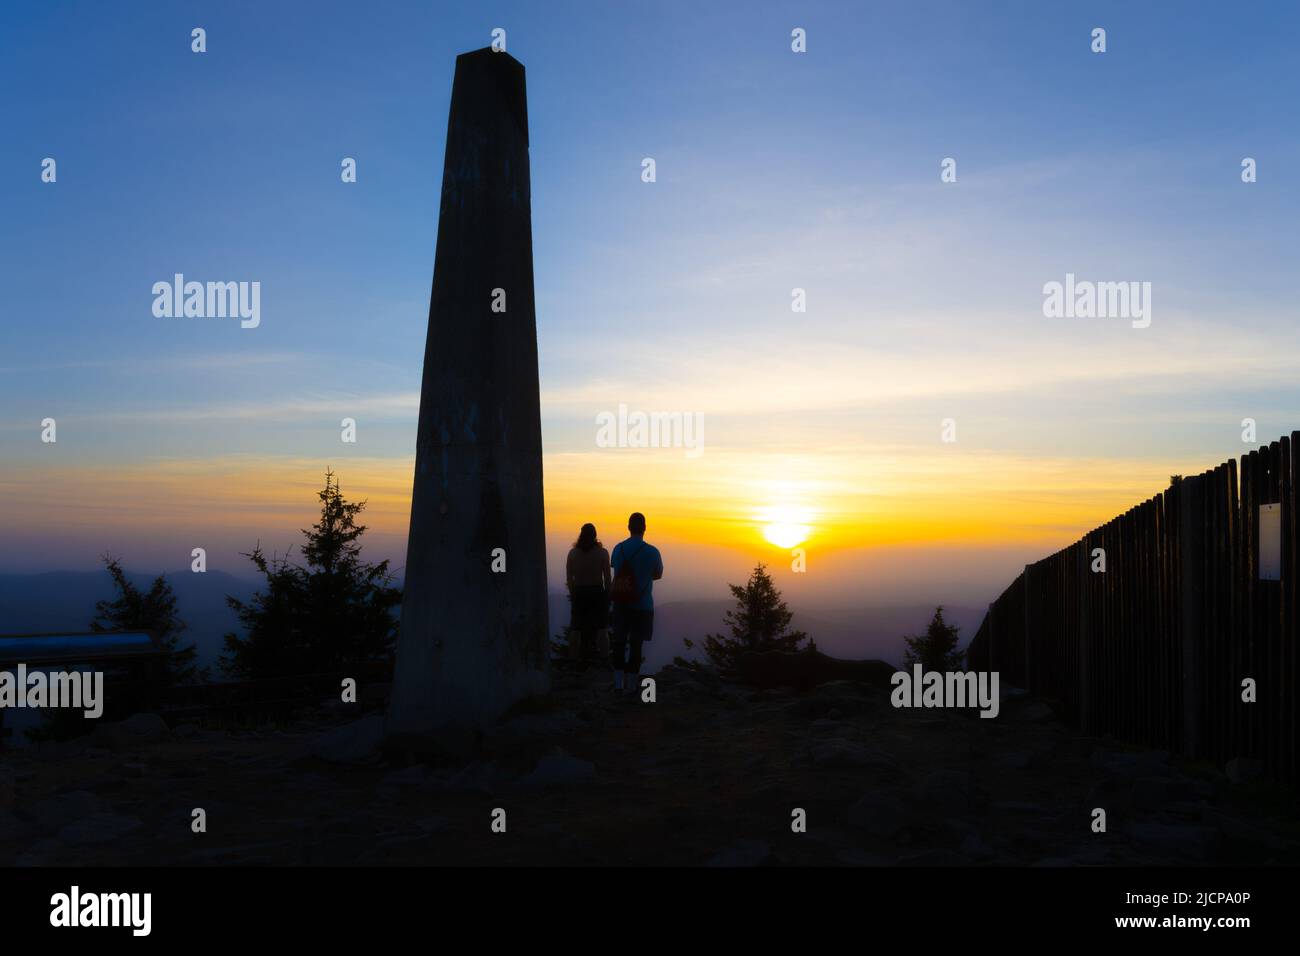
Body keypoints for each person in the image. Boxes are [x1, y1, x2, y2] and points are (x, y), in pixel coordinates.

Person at [609, 512, 663, 693]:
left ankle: (617, 684)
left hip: (620, 604)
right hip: (642, 605)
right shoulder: (652, 552)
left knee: (618, 642)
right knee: (636, 645)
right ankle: (631, 686)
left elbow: (615, 569)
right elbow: (657, 574)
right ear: (645, 528)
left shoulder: (618, 549)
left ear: (628, 527)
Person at [565, 523, 611, 669]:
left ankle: (573, 660)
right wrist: (607, 596)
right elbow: (607, 579)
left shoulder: (572, 553)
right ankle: (604, 659)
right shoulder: (603, 553)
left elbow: (569, 578)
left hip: (579, 592)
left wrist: (573, 594)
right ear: (595, 535)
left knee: (576, 628)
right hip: (597, 593)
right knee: (602, 628)